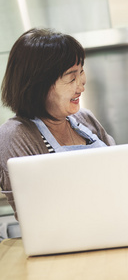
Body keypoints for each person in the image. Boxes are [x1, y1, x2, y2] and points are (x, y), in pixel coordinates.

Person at [0, 28, 115, 218]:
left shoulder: (84, 119)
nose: (82, 84)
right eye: (71, 77)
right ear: (38, 85)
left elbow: (122, 173)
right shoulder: (14, 136)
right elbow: (36, 216)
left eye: (82, 71)